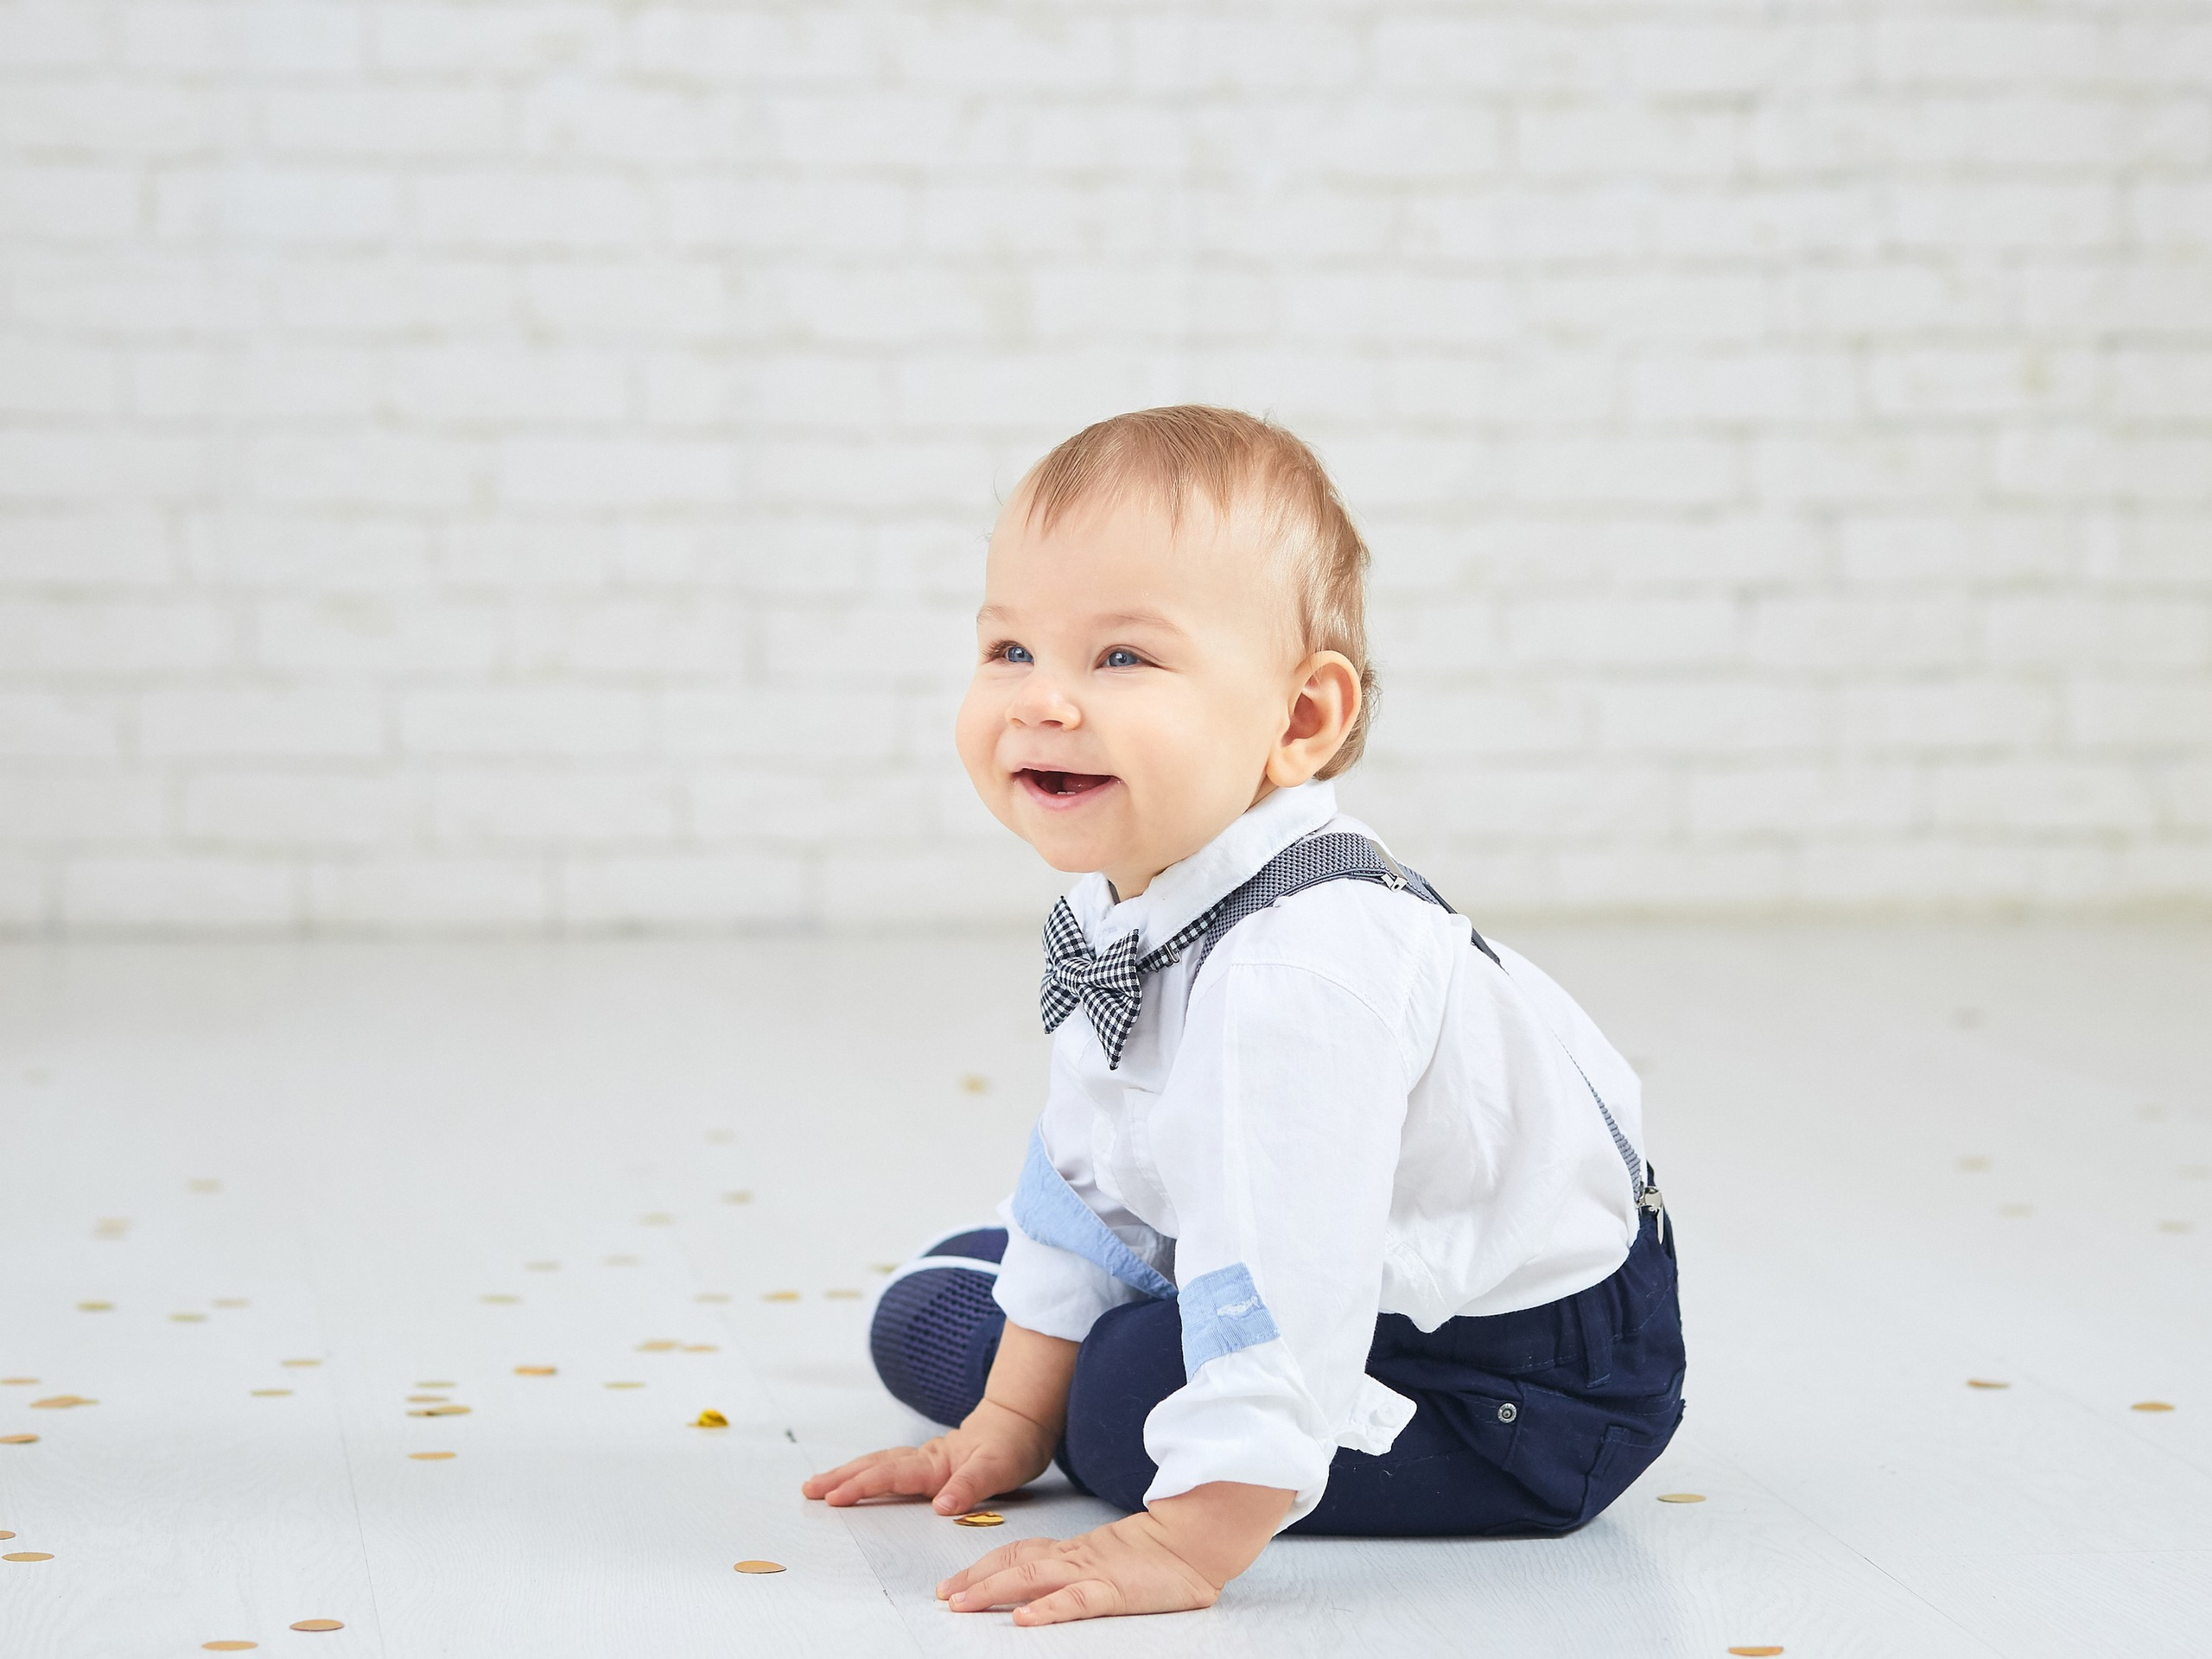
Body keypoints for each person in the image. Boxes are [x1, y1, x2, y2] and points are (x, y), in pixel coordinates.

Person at [800, 406, 1684, 1626]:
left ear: (1300, 722)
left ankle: (1137, 1382)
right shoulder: (1131, 895)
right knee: (948, 1333)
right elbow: (1085, 1160)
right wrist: (1004, 1425)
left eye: (1121, 660)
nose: (1044, 700)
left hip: (1518, 1384)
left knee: (1117, 1409)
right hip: (1315, 1257)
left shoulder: (1299, 974)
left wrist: (1185, 1540)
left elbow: (1293, 1270)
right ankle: (1080, 1351)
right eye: (1009, 649)